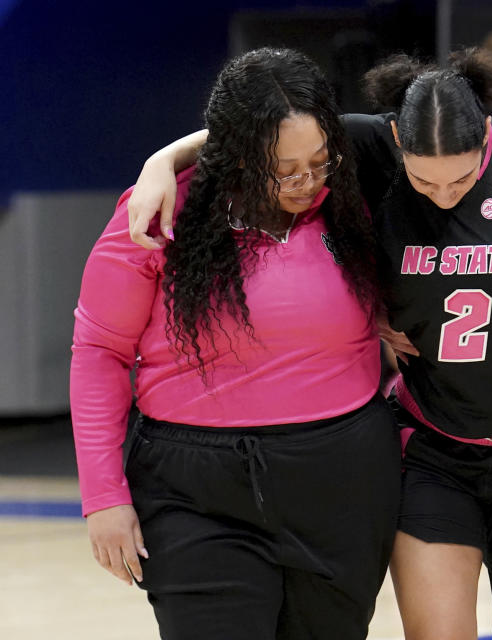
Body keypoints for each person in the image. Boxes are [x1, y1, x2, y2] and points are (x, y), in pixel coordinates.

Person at [126, 47, 492, 640]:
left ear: (488, 141)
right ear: (395, 140)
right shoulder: (368, 145)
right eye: (425, 181)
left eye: (462, 179)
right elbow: (256, 133)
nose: (444, 195)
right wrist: (161, 160)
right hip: (432, 455)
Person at [70, 48, 401, 640]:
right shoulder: (159, 212)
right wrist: (103, 498)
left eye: (320, 161)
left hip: (344, 484)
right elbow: (100, 353)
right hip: (194, 490)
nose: (307, 182)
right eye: (284, 169)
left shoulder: (352, 197)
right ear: (237, 157)